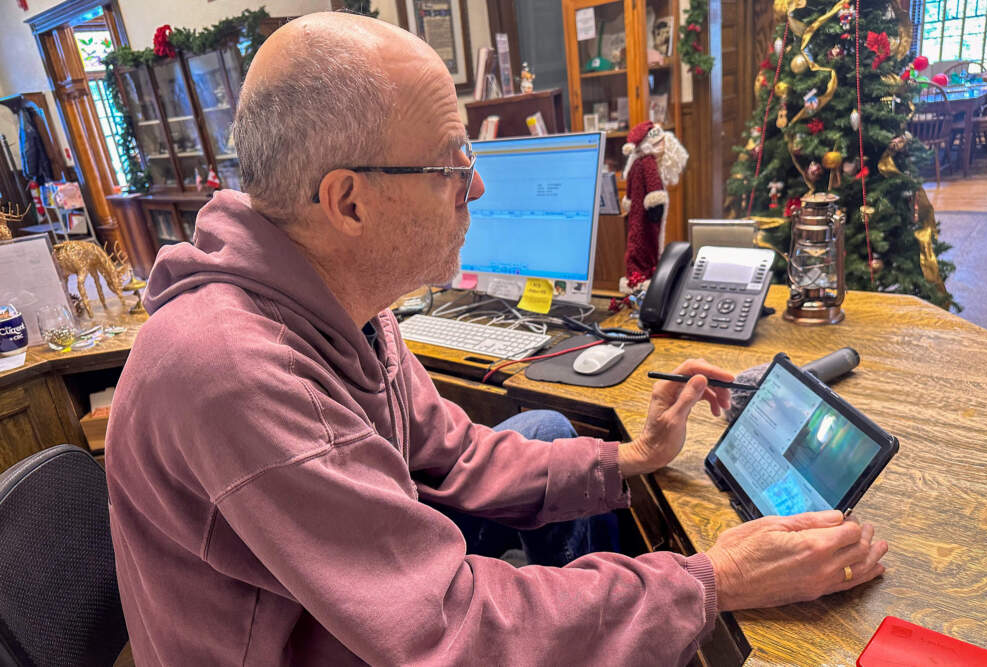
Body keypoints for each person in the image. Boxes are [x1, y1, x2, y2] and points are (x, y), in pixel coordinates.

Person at [105, 12, 888, 666]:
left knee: (545, 428)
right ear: (348, 203)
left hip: (350, 615)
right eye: (450, 162)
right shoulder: (235, 371)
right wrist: (712, 580)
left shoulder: (345, 302)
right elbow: (450, 628)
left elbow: (452, 456)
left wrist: (632, 456)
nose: (475, 184)